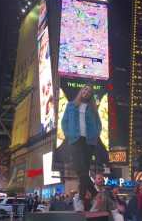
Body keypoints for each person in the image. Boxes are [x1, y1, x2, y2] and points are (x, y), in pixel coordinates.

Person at [61, 84, 102, 212]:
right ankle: (96, 195)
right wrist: (69, 133)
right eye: (85, 89)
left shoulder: (92, 108)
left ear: (90, 95)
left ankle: (81, 202)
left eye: (89, 91)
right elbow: (64, 122)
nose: (86, 92)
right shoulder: (70, 105)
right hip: (75, 140)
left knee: (83, 171)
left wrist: (95, 133)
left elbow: (99, 124)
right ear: (81, 91)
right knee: (81, 170)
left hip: (89, 142)